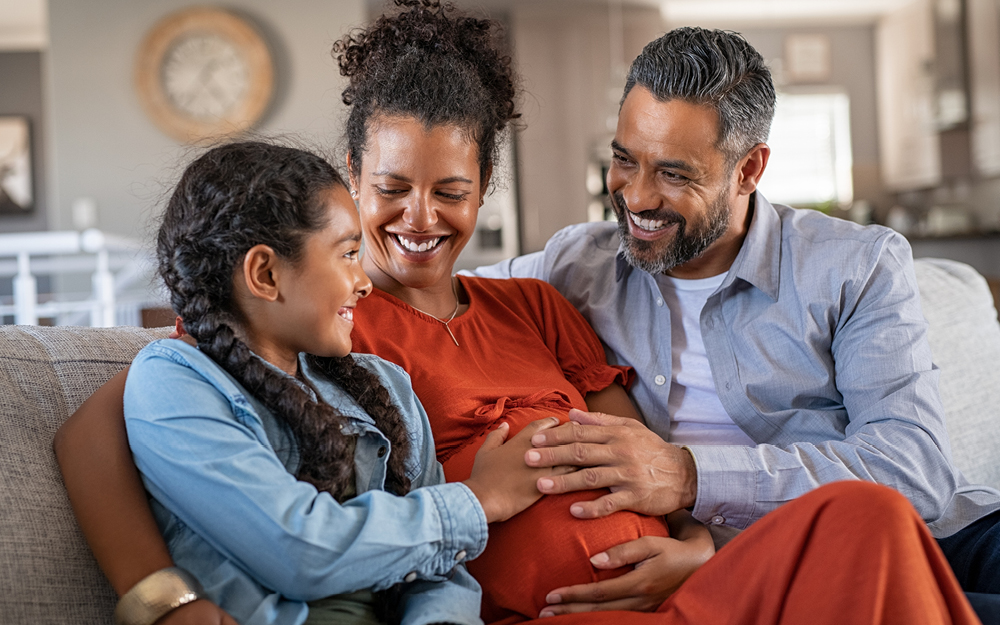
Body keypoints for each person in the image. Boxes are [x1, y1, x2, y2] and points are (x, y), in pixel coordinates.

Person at [54, 4, 982, 625]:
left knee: (867, 516)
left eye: (450, 190)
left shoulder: (543, 293)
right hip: (539, 613)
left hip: (679, 595)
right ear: (350, 182)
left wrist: (695, 550)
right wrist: (165, 601)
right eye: (391, 190)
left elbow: (642, 463)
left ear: (486, 188)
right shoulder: (326, 324)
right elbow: (115, 412)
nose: (421, 219)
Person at [473, 25, 1000, 619]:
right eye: (624, 161)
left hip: (930, 537)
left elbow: (912, 470)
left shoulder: (857, 264)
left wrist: (689, 476)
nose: (637, 197)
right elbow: (435, 293)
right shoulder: (576, 264)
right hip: (755, 571)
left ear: (749, 170)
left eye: (674, 174)